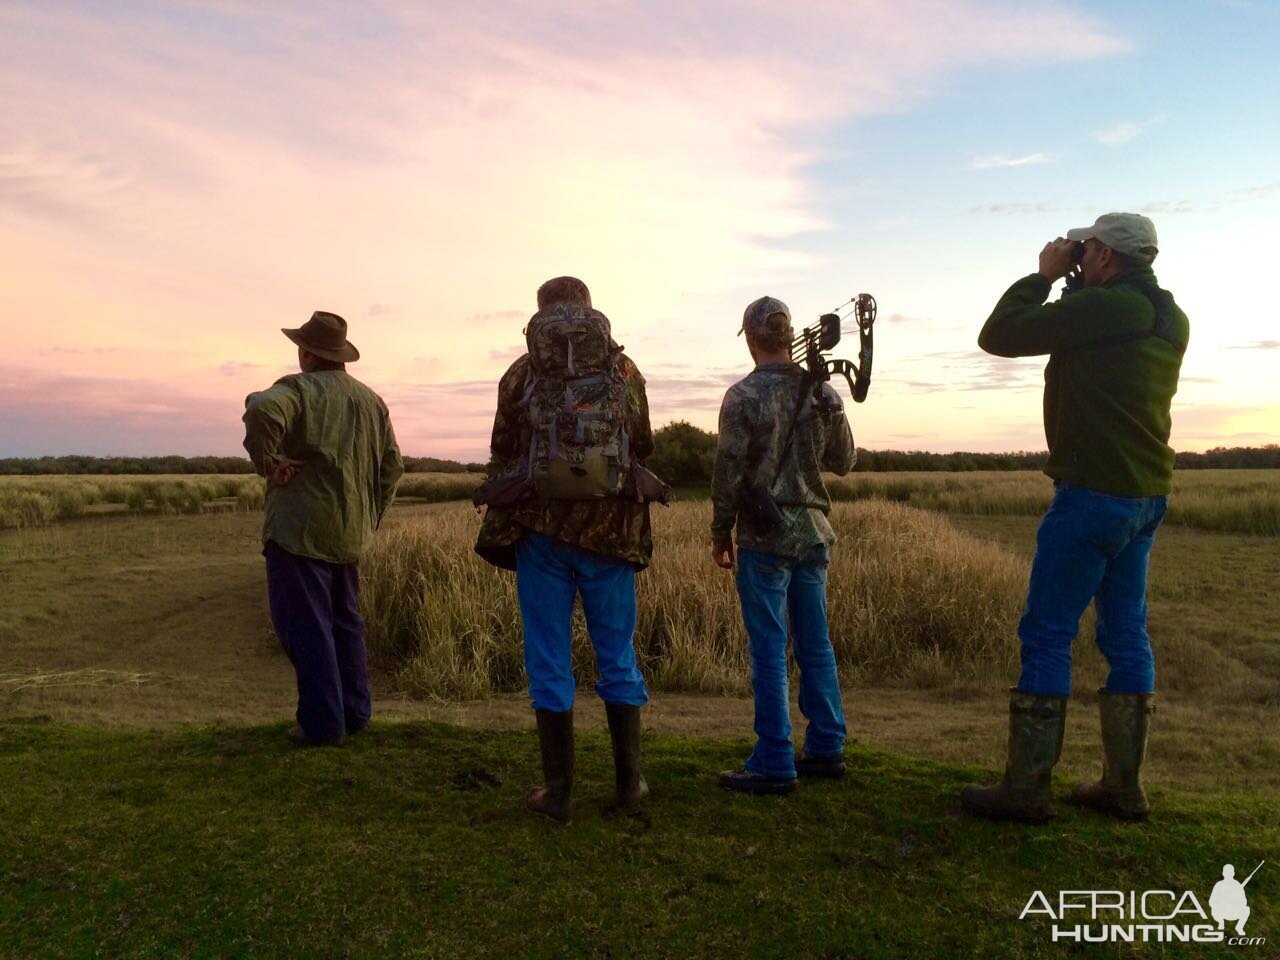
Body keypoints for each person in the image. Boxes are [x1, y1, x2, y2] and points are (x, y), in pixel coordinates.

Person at [961, 213, 1189, 822]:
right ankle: (1123, 786)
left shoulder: (1108, 309)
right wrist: (1077, 283)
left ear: (1108, 255)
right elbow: (1093, 344)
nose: (1078, 254)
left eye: (1087, 248)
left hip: (1091, 492)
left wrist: (1043, 276)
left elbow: (1000, 334)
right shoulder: (1166, 314)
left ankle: (1027, 787)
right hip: (1144, 494)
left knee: (1047, 632)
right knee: (1124, 634)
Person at [474, 276, 657, 823]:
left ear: (540, 314)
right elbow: (642, 442)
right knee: (618, 655)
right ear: (589, 308)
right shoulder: (624, 370)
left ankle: (558, 794)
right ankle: (629, 786)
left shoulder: (521, 374)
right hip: (611, 534)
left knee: (549, 659)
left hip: (541, 535)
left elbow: (502, 448)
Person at [710, 295, 857, 794]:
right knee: (816, 644)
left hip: (764, 538)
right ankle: (827, 746)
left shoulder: (743, 395)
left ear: (752, 339)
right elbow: (845, 461)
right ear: (788, 336)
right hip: (813, 534)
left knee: (769, 649)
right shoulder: (823, 392)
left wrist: (719, 532)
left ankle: (774, 757)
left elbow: (728, 472)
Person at [243, 311, 403, 746]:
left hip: (299, 534)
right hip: (348, 536)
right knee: (345, 625)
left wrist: (269, 464)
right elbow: (393, 468)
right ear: (341, 356)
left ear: (307, 354)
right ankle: (354, 713)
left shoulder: (296, 389)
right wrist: (369, 517)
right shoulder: (372, 401)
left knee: (305, 627)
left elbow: (260, 409)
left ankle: (322, 723)